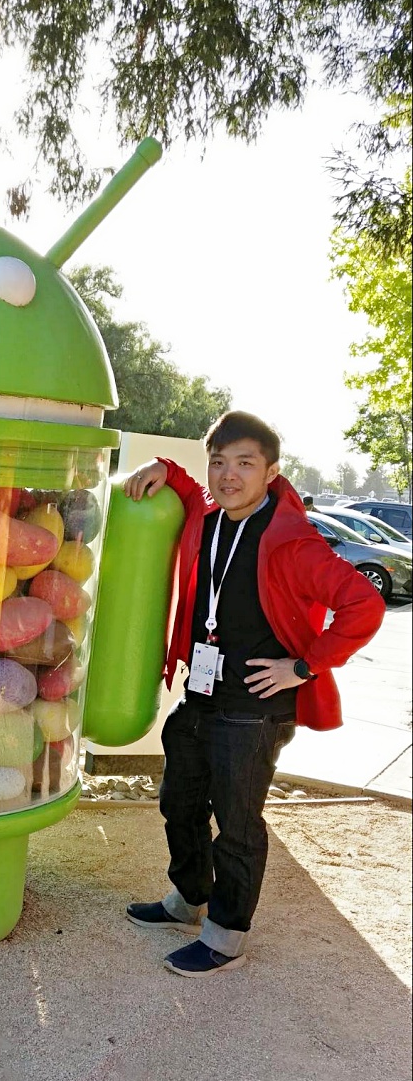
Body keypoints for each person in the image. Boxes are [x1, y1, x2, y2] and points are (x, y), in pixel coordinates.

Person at [123, 410, 385, 977]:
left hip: (254, 710)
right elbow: (190, 490)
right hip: (200, 694)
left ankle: (226, 935)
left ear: (271, 472)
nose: (228, 475)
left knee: (237, 823)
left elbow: (363, 605)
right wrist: (162, 466)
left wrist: (304, 665)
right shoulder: (208, 519)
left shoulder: (293, 538)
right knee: (178, 803)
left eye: (245, 463)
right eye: (219, 462)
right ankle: (187, 901)